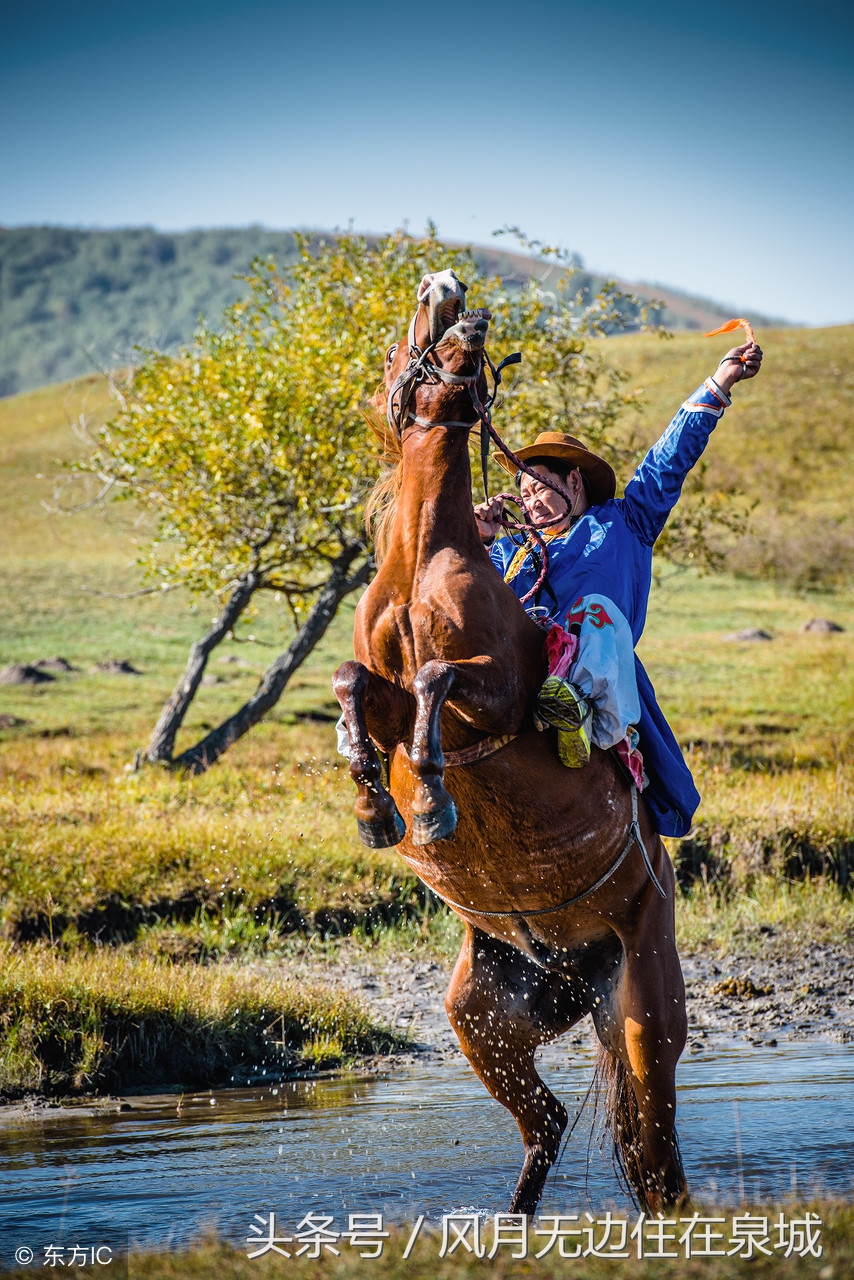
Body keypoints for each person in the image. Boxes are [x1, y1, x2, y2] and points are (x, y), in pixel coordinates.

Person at [474, 340, 763, 838]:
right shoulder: (512, 553)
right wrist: (478, 540)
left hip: (597, 676)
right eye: (522, 492)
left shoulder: (627, 521)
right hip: (524, 672)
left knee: (598, 611)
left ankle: (575, 714)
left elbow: (667, 460)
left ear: (575, 482)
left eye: (539, 485)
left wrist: (721, 381)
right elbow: (475, 605)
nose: (530, 499)